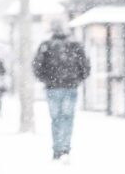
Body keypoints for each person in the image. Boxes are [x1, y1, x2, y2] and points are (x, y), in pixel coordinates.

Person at [32, 21, 90, 162]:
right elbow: (85, 66)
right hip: (70, 86)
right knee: (67, 118)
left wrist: (46, 79)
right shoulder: (75, 45)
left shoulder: (46, 46)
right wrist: (77, 79)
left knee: (56, 119)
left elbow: (37, 66)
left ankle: (57, 149)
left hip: (53, 87)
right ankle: (65, 148)